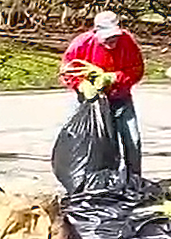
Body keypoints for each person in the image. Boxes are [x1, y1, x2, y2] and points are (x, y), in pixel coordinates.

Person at [59, 10, 145, 175]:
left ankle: (134, 179)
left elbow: (137, 70)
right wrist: (81, 85)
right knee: (94, 143)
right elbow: (67, 69)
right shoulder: (82, 43)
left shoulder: (127, 42)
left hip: (121, 100)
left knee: (133, 141)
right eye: (107, 37)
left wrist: (113, 77)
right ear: (96, 32)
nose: (112, 41)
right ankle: (95, 179)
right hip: (91, 102)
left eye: (115, 37)